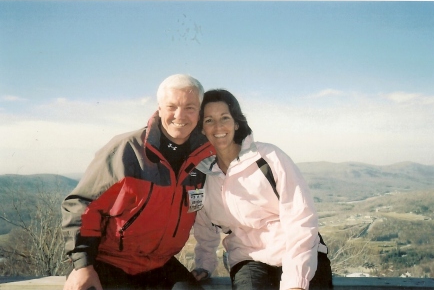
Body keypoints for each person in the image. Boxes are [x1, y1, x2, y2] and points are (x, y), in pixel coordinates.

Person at [61, 74, 215, 290]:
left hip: (159, 263)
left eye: (190, 107)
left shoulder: (203, 158)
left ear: (199, 112)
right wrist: (83, 266)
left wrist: (205, 261)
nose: (180, 115)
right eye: (172, 106)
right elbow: (83, 206)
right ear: (159, 109)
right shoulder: (127, 151)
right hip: (110, 262)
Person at [191, 89, 333, 290]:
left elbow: (300, 220)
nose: (218, 127)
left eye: (225, 118)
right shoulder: (204, 174)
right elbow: (204, 226)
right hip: (248, 258)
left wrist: (295, 282)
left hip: (298, 252)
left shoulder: (268, 158)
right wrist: (204, 264)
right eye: (209, 120)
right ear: (202, 129)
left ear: (237, 122)